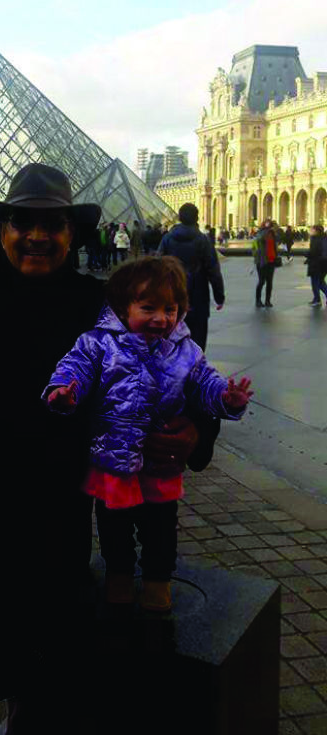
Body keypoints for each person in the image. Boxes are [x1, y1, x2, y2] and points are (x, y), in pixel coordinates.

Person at [0, 163, 219, 735]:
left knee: (42, 697)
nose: (37, 235)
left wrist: (198, 432)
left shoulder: (99, 308)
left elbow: (175, 376)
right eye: (22, 221)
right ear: (2, 230)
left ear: (72, 233)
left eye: (53, 224)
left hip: (50, 535)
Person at [44, 256, 251, 614]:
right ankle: (119, 575)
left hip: (158, 463)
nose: (161, 318)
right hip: (114, 461)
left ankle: (158, 580)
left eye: (170, 309)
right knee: (114, 528)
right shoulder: (98, 343)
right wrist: (64, 391)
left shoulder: (186, 350)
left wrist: (226, 400)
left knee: (161, 530)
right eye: (148, 308)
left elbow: (206, 384)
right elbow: (74, 367)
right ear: (124, 309)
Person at [158, 203, 224, 351]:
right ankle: (195, 368)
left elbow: (158, 267)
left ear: (179, 217)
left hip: (172, 295)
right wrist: (219, 296)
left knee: (171, 337)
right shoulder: (203, 240)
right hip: (198, 295)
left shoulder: (167, 239)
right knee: (198, 339)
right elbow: (213, 270)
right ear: (197, 217)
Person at [252, 218, 279, 308]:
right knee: (261, 281)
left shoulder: (273, 234)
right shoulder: (260, 233)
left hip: (271, 261)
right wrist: (266, 230)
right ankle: (258, 300)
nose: (270, 226)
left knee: (269, 282)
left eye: (270, 224)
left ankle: (267, 301)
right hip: (262, 261)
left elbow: (275, 246)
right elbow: (258, 240)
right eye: (268, 224)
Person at [304, 225, 327, 306]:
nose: (310, 231)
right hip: (323, 264)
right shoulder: (324, 238)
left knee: (315, 283)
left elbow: (313, 252)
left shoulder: (315, 239)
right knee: (320, 282)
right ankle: (316, 299)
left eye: (312, 229)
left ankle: (317, 299)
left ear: (316, 231)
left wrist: (306, 254)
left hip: (316, 264)